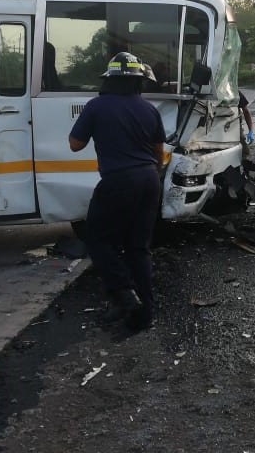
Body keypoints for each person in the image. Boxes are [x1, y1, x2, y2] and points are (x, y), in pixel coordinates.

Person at [68, 52, 165, 333]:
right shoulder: (150, 110)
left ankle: (123, 293)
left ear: (109, 81)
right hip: (149, 180)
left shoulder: (96, 106)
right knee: (138, 248)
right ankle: (144, 315)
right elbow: (159, 154)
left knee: (97, 239)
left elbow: (75, 144)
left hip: (117, 181)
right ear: (138, 83)